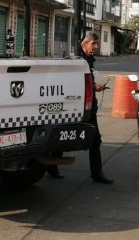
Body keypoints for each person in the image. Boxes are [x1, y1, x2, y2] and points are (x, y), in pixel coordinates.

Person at [47, 32, 113, 184]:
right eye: (93, 44)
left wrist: (94, 86)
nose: (96, 47)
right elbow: (75, 82)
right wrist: (93, 86)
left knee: (94, 140)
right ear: (84, 45)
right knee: (65, 135)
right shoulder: (77, 61)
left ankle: (96, 173)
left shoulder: (87, 60)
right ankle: (53, 167)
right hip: (77, 105)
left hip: (88, 106)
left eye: (96, 44)